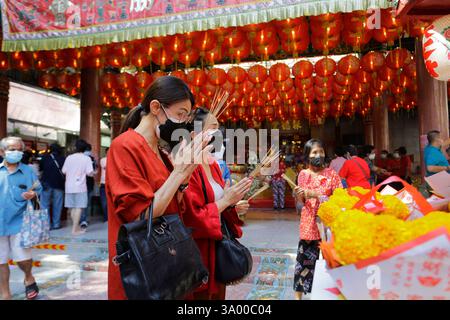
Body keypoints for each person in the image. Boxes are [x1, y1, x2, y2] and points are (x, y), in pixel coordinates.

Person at [106, 76, 212, 300]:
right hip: (143, 271)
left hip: (169, 264)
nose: (183, 122)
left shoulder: (162, 153)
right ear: (156, 107)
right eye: (180, 114)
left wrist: (185, 174)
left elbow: (175, 206)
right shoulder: (124, 146)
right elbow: (142, 216)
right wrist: (180, 172)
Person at [182, 107, 252, 300]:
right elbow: (192, 217)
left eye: (218, 127)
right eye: (213, 127)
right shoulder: (186, 167)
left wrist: (233, 205)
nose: (218, 133)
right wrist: (225, 201)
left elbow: (219, 203)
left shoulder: (213, 163)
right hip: (198, 248)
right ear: (195, 133)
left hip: (218, 245)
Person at [293, 139, 342, 300]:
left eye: (320, 151)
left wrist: (318, 196)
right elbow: (300, 205)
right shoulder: (303, 174)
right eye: (314, 152)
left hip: (328, 225)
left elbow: (340, 199)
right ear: (307, 155)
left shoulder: (332, 174)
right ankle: (298, 297)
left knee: (333, 262)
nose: (318, 155)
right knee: (304, 262)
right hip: (309, 224)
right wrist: (298, 195)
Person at [0, 137, 42, 300]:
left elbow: (40, 189)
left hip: (21, 222)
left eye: (18, 149)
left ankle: (28, 276)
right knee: (1, 261)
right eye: (11, 149)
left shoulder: (28, 171)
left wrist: (34, 194)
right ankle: (5, 293)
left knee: (23, 259)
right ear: (2, 152)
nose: (15, 152)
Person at [62, 139, 95, 235]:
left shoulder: (69, 157)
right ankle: (74, 230)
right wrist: (94, 172)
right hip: (80, 187)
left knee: (72, 208)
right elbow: (90, 173)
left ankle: (75, 227)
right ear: (85, 148)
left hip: (69, 186)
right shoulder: (86, 158)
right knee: (79, 207)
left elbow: (64, 171)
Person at [39, 143, 66, 230]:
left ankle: (46, 225)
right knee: (57, 204)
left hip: (46, 184)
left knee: (44, 205)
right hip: (59, 184)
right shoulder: (63, 159)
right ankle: (56, 224)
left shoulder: (45, 157)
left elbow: (41, 169)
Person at [80, 144, 98, 230]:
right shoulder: (91, 158)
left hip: (80, 184)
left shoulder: (79, 158)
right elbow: (93, 172)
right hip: (88, 184)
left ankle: (81, 219)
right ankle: (84, 219)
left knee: (81, 203)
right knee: (87, 203)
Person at [99, 148, 108, 222]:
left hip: (112, 184)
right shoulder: (103, 160)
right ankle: (106, 218)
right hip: (104, 183)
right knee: (104, 202)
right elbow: (106, 167)